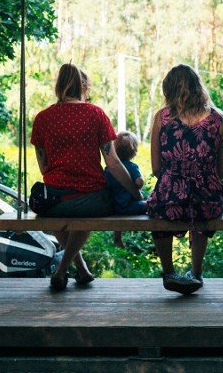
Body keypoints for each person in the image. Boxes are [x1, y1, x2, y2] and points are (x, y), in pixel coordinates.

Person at [31, 63, 142, 291]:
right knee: (86, 209)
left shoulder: (42, 119)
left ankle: (81, 270)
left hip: (53, 201)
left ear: (59, 85)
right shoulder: (95, 114)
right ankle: (63, 270)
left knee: (64, 213)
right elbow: (113, 163)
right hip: (91, 200)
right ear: (83, 86)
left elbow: (44, 168)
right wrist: (135, 191)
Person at [146, 64, 223, 295]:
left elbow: (156, 168)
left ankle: (169, 271)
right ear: (197, 87)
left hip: (170, 197)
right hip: (208, 199)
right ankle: (197, 271)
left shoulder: (162, 118)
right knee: (201, 208)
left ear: (168, 90)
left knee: (157, 210)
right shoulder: (218, 119)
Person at [104, 131, 147, 249]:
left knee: (119, 215)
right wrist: (139, 184)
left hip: (113, 207)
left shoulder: (108, 169)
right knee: (147, 204)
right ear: (134, 152)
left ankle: (117, 237)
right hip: (129, 206)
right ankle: (140, 236)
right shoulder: (132, 167)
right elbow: (139, 182)